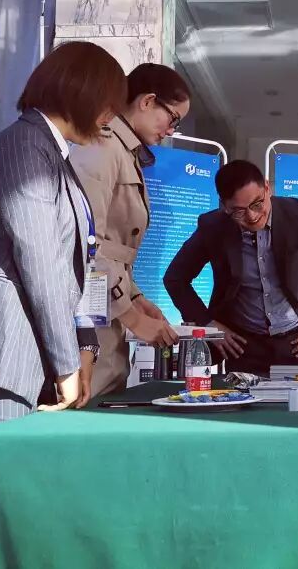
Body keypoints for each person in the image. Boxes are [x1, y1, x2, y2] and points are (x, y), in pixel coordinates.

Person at [0, 41, 127, 430]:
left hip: (33, 361)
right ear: (79, 91)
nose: (110, 117)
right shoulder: (23, 145)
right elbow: (42, 263)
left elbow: (79, 266)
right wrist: (67, 364)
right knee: (5, 471)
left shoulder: (53, 154)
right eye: (108, 103)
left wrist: (85, 345)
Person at [163, 160, 298, 376]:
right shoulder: (214, 227)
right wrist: (209, 324)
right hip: (243, 345)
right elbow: (175, 279)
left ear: (267, 188)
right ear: (224, 206)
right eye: (238, 211)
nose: (252, 216)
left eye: (257, 204)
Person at [69, 63, 187, 396]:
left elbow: (114, 249)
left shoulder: (124, 152)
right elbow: (85, 245)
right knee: (87, 402)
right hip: (89, 313)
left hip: (105, 308)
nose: (171, 131)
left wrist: (136, 299)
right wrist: (133, 317)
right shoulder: (102, 148)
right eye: (173, 119)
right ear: (147, 101)